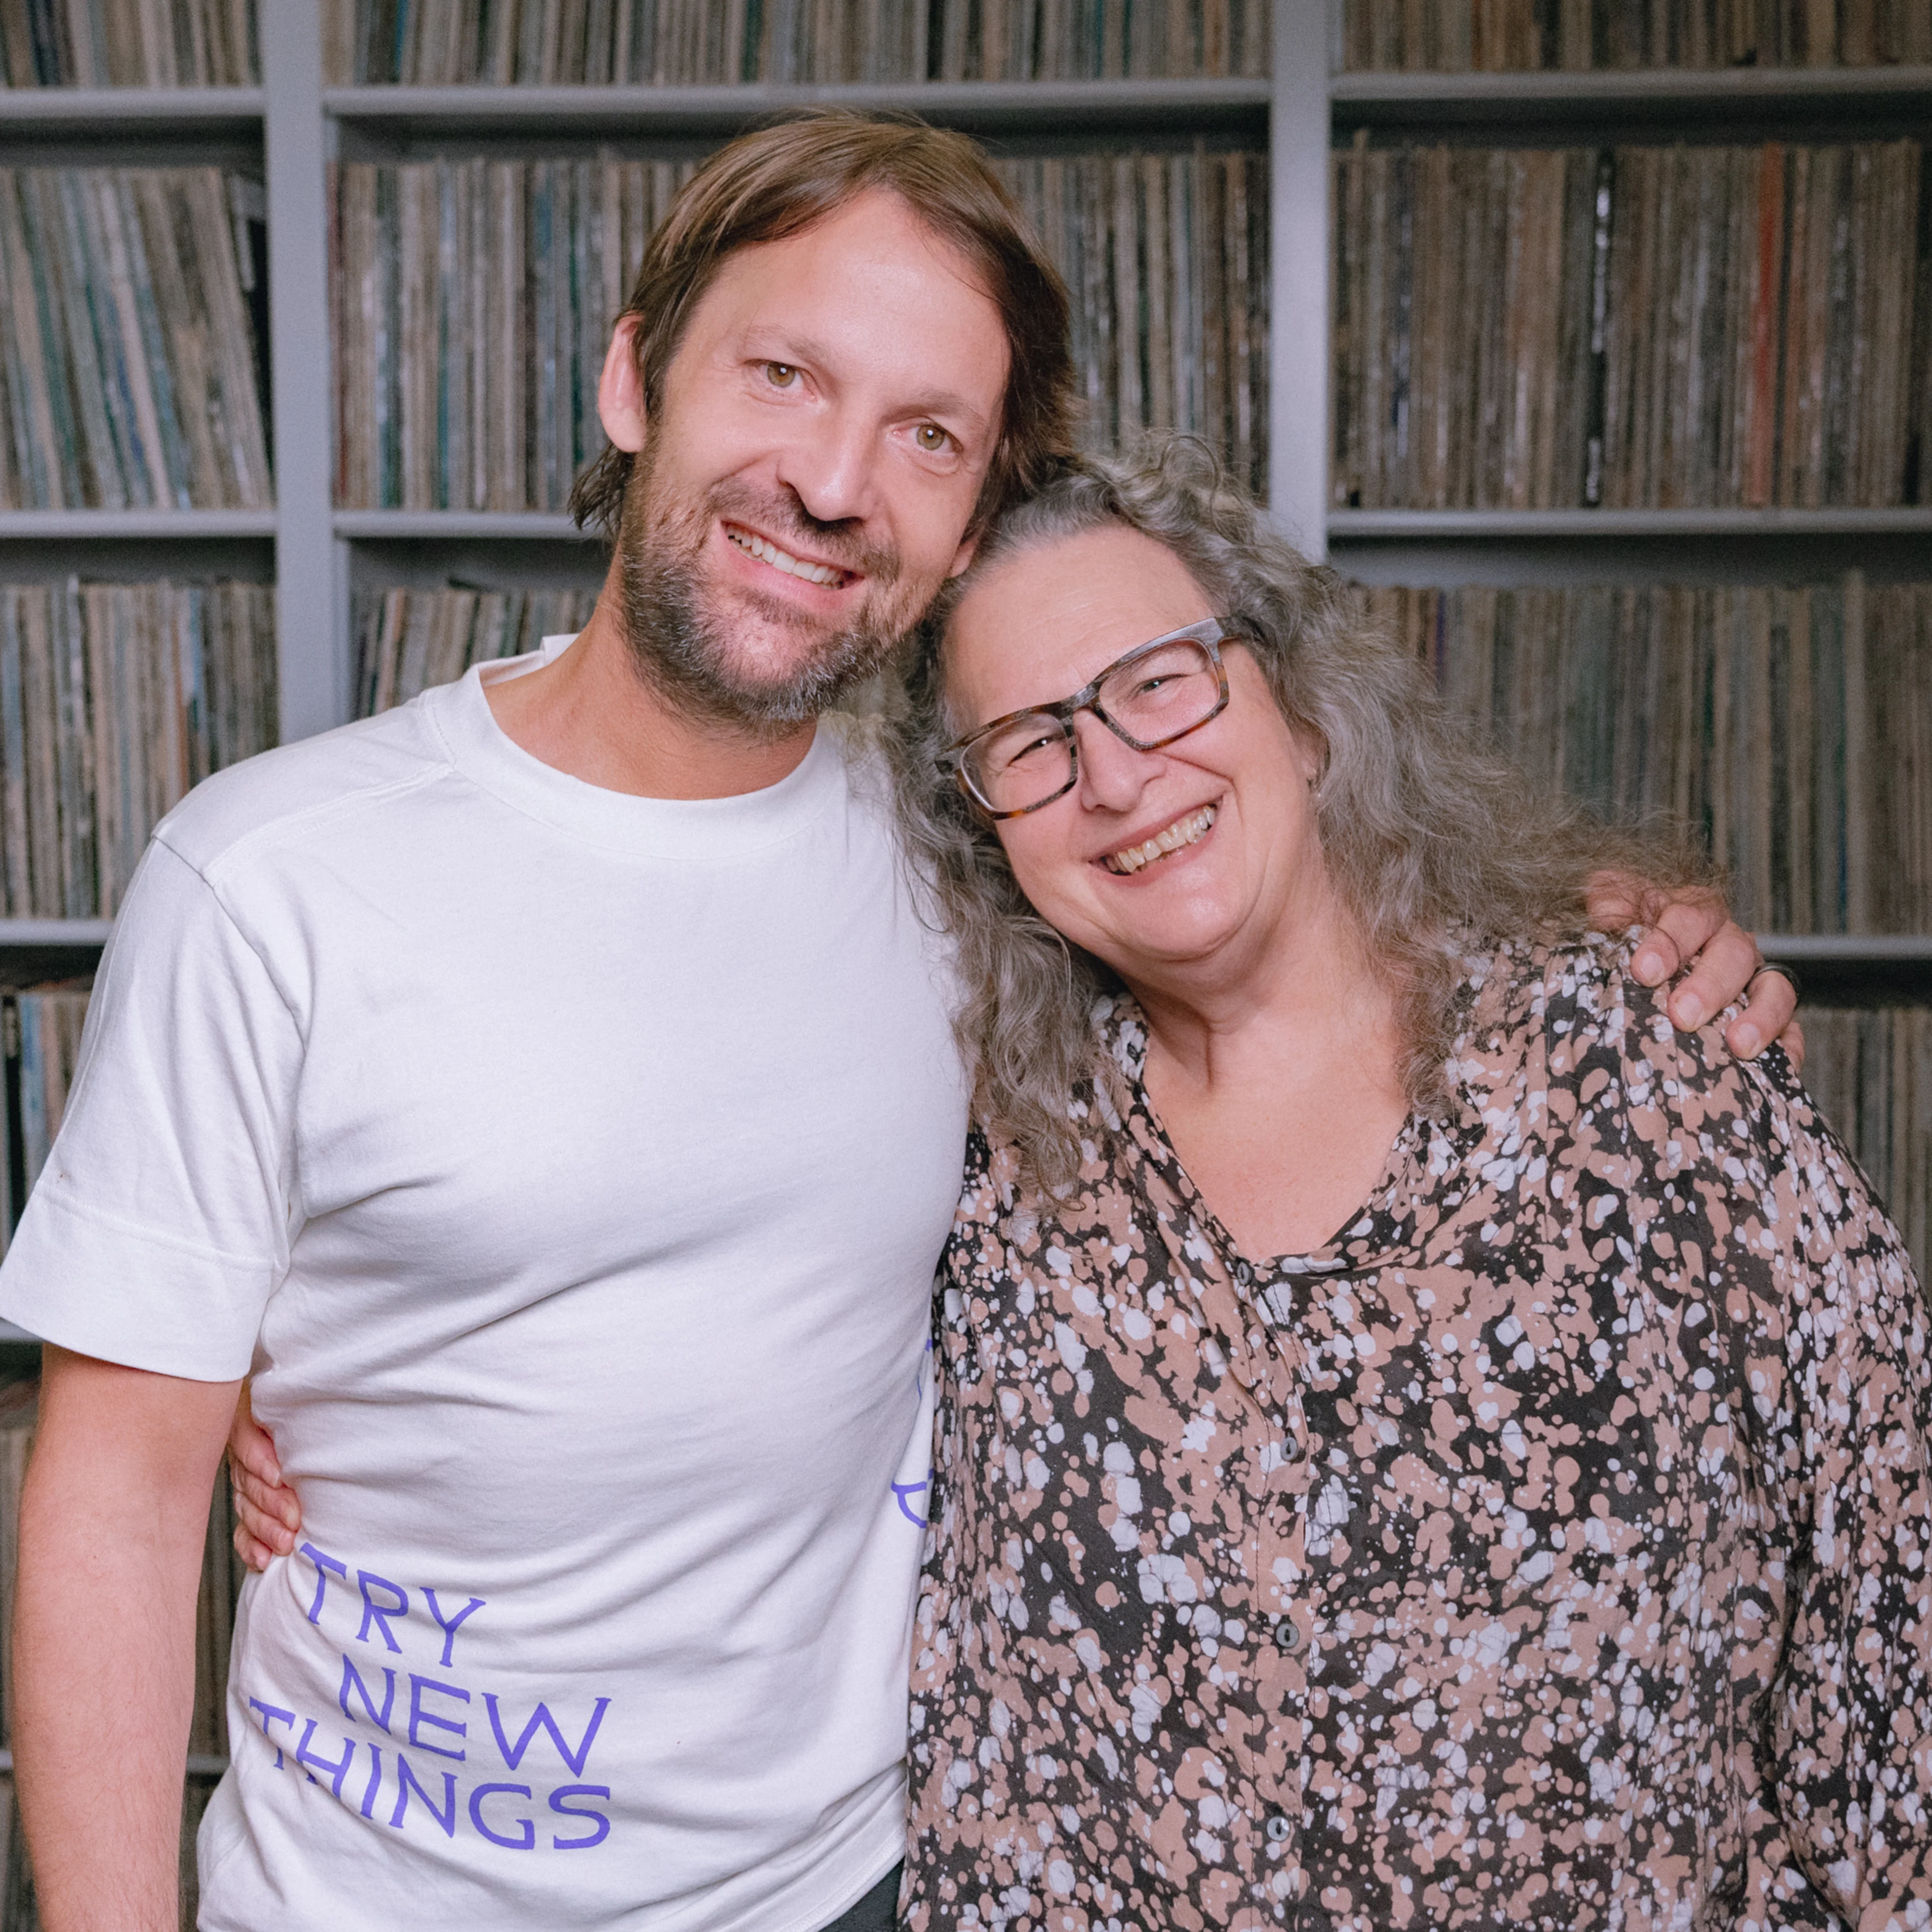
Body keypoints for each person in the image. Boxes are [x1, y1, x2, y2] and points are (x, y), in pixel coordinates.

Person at [26, 113, 1791, 1932]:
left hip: (872, 1888)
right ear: (638, 377)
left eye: (927, 436)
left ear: (963, 525)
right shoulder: (272, 876)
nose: (835, 480)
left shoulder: (992, 860)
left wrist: (1596, 942)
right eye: (783, 375)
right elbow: (116, 1502)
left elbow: (1293, 960)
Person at [873, 442, 1930, 1930]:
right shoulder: (987, 1159)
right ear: (985, 831)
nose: (1113, 774)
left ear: (1301, 712)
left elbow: (1889, 1593)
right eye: (1030, 742)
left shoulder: (1643, 1061)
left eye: (1159, 682)